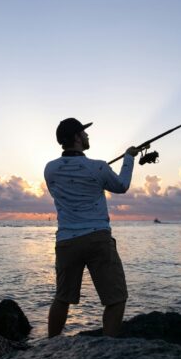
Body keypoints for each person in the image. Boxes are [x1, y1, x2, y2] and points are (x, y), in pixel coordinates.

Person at [44, 118, 141, 337]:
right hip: (98, 239)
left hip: (67, 241)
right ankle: (108, 348)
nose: (88, 136)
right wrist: (129, 157)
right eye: (84, 133)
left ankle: (50, 346)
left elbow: (61, 189)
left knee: (62, 297)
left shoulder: (49, 169)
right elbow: (122, 186)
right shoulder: (98, 167)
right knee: (116, 299)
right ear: (77, 137)